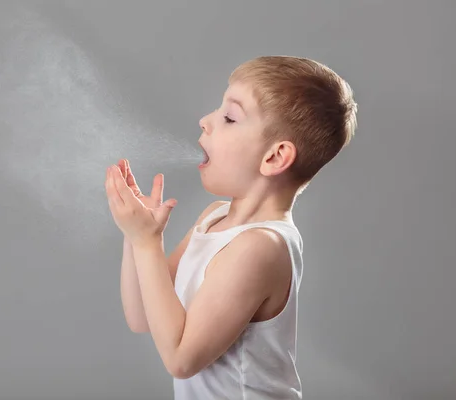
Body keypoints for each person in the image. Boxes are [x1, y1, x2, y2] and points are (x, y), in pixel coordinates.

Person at [105, 55, 358, 399]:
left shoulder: (260, 247)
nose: (205, 121)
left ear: (274, 157)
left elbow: (181, 358)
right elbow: (143, 317)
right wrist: (136, 238)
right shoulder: (214, 218)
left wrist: (148, 243)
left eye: (229, 117)